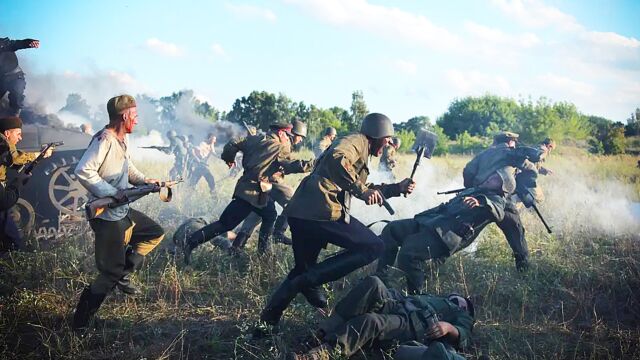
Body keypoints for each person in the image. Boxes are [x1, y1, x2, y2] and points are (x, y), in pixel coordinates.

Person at [258, 113, 416, 331]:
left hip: (302, 212)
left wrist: (396, 188)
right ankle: (311, 282)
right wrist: (362, 191)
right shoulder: (356, 141)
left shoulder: (362, 149)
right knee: (374, 246)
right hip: (320, 210)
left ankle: (265, 323)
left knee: (301, 271)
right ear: (377, 134)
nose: (389, 142)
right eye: (387, 137)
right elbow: (337, 158)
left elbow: (360, 183)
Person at [71, 95, 165, 330]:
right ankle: (79, 324)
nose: (137, 119)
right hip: (106, 217)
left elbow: (127, 166)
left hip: (121, 210)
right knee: (107, 276)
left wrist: (145, 180)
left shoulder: (122, 139)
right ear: (124, 116)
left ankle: (123, 271)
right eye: (134, 115)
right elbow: (83, 170)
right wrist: (112, 192)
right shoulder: (104, 139)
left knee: (154, 233)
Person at [182, 122, 311, 263]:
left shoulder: (255, 139)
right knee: (230, 223)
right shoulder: (279, 147)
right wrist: (313, 164)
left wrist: (229, 158)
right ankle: (263, 255)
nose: (289, 138)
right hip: (253, 193)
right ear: (281, 133)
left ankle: (262, 253)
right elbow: (291, 165)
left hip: (247, 189)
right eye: (288, 135)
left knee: (264, 215)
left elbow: (232, 143)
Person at [377, 167, 514, 294]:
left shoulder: (497, 199)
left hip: (444, 236)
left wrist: (481, 202)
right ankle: (381, 278)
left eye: (496, 179)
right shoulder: (475, 190)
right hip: (430, 222)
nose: (490, 178)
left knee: (408, 254)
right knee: (391, 230)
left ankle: (415, 297)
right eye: (493, 175)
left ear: (502, 188)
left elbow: (498, 211)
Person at [290, 276, 474, 360]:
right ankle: (321, 333)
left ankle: (321, 354)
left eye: (464, 302)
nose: (459, 300)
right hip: (397, 304)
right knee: (373, 283)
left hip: (413, 326)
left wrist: (450, 328)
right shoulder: (435, 298)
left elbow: (464, 334)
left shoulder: (461, 314)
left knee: (372, 321)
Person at [462, 131, 542, 272]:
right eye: (514, 142)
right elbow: (532, 171)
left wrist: (472, 187)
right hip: (503, 201)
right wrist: (519, 183)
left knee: (467, 234)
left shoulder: (484, 154)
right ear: (511, 141)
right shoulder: (512, 153)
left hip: (480, 199)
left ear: (496, 141)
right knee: (517, 234)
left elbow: (467, 171)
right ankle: (524, 269)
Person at [232, 120, 313, 250]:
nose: (301, 140)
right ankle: (278, 233)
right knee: (294, 201)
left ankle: (237, 246)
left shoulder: (279, 139)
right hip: (271, 181)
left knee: (257, 215)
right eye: (301, 137)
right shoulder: (284, 142)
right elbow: (287, 165)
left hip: (264, 181)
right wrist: (310, 165)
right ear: (294, 134)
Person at [0, 116, 53, 250]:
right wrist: (38, 155)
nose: (20, 138)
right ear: (7, 133)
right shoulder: (2, 143)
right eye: (18, 134)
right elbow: (14, 158)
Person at [0, 37, 39, 116]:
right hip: (1, 81)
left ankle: (14, 118)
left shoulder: (4, 44)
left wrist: (30, 42)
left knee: (16, 98)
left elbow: (17, 44)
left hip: (15, 77)